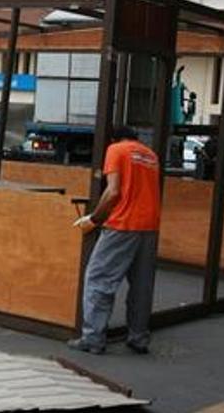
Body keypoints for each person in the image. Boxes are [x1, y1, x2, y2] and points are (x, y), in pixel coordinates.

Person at [70, 126, 161, 355]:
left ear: (114, 138)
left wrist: (95, 218)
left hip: (122, 225)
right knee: (141, 286)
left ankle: (92, 339)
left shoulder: (117, 150)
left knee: (98, 279)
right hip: (149, 227)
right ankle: (138, 338)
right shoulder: (150, 155)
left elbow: (113, 192)